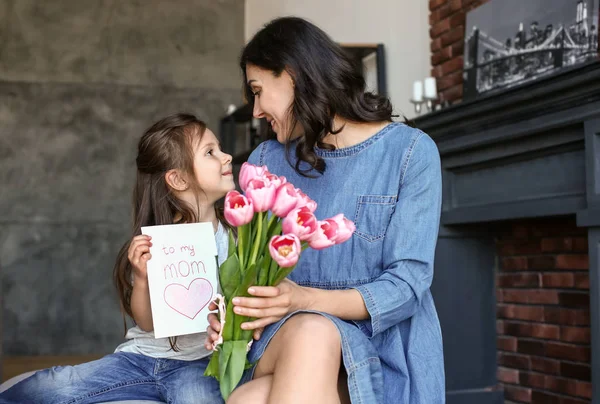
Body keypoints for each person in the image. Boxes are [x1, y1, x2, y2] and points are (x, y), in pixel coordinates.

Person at [205, 17, 445, 404]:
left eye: (258, 91)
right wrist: (230, 314)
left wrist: (305, 299)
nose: (256, 110)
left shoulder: (410, 153)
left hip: (380, 349)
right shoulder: (266, 159)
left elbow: (407, 286)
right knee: (311, 333)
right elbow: (245, 266)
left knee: (249, 399)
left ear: (294, 75)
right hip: (286, 337)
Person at [0, 113, 234, 404]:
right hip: (140, 358)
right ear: (178, 178)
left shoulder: (235, 238)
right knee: (53, 385)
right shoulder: (158, 241)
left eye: (220, 148)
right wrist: (142, 278)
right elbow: (147, 324)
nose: (226, 157)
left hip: (200, 366)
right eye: (211, 152)